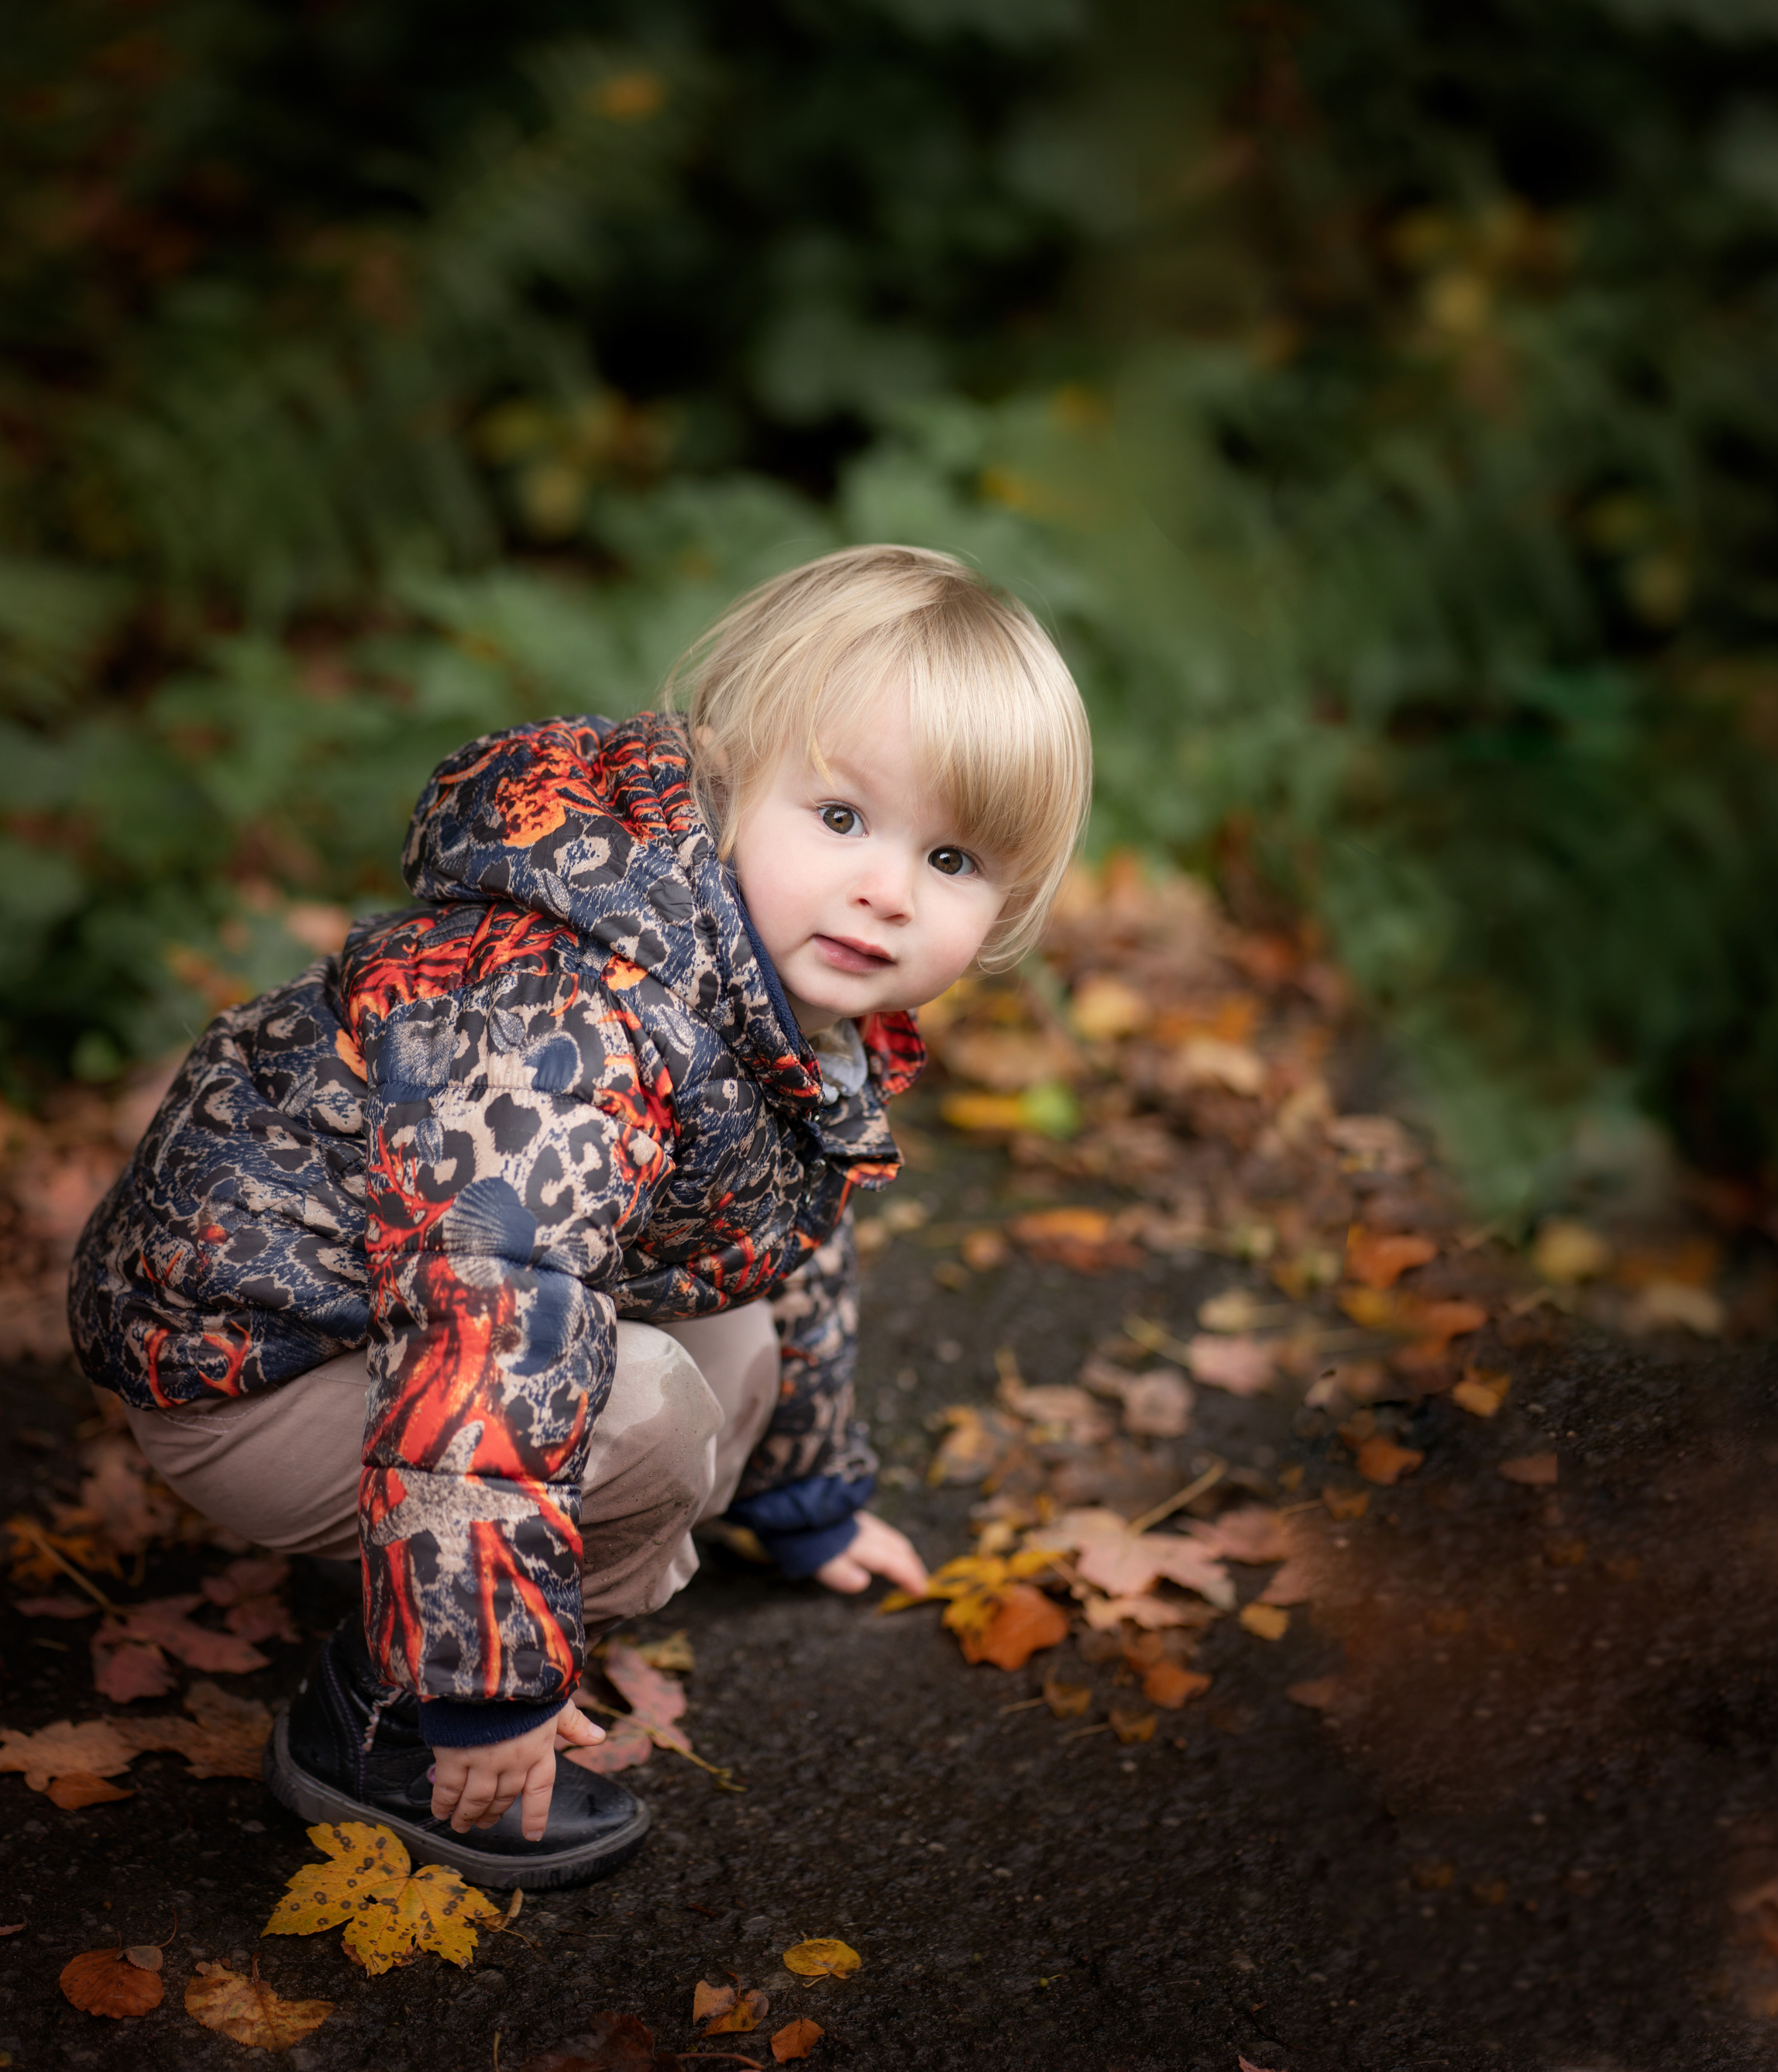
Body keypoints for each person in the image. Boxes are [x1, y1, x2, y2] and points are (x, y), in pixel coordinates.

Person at [67, 544, 1092, 1888]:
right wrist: (489, 1686)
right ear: (728, 778)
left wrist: (808, 1500)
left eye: (949, 858)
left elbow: (780, 1238)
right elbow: (491, 1318)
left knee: (727, 1342)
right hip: (244, 1367)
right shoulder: (580, 1015)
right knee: (651, 1410)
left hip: (388, 1333)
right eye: (841, 817)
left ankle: (470, 1572)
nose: (887, 889)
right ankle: (381, 1722)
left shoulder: (777, 1002)